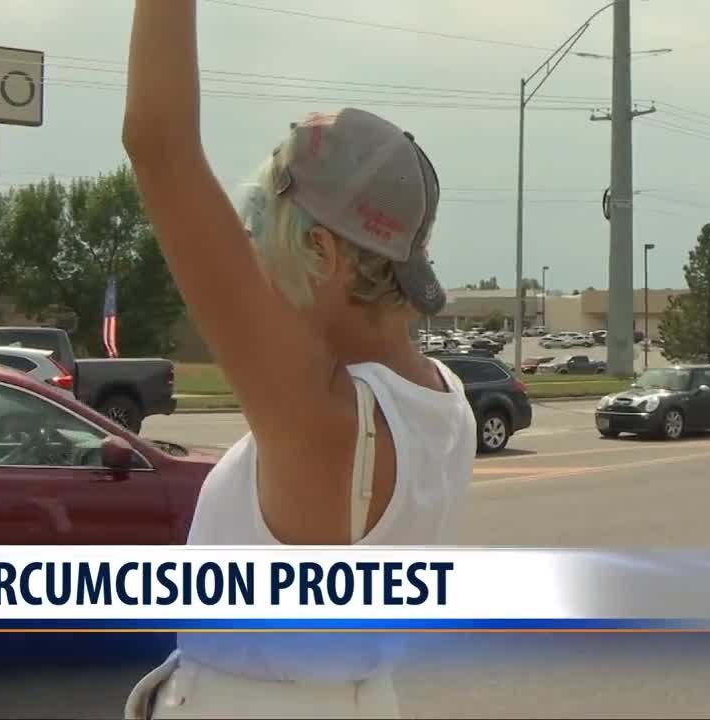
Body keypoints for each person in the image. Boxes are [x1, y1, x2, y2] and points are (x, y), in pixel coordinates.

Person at [119, 2, 476, 717]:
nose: (252, 251)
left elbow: (159, 146)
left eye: (264, 228)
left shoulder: (324, 416)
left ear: (323, 252)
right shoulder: (444, 399)